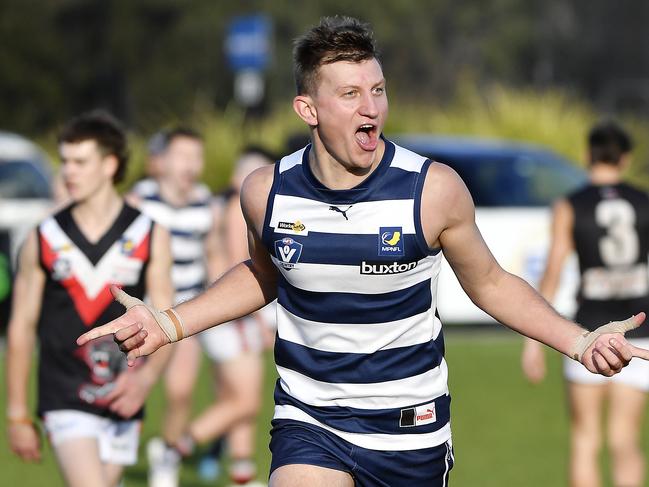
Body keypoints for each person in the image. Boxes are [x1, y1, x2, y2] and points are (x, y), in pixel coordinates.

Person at [79, 17, 649, 487]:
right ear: (309, 109)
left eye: (376, 90)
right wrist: (170, 322)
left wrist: (579, 340)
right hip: (310, 416)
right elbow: (263, 274)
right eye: (350, 94)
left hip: (410, 426)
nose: (370, 107)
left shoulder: (432, 190)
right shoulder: (265, 191)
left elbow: (493, 284)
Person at [6, 110, 174, 487]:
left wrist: (145, 382)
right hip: (62, 394)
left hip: (124, 394)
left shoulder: (149, 233)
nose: (68, 172)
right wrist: (17, 414)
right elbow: (21, 327)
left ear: (109, 165)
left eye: (80, 162)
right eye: (64, 161)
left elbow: (168, 321)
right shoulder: (43, 236)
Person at [128, 131, 269, 487]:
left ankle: (168, 461)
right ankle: (120, 458)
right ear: (161, 161)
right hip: (143, 311)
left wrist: (227, 305)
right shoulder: (140, 201)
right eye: (183, 156)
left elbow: (212, 255)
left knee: (182, 391)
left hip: (184, 313)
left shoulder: (204, 202)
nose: (191, 165)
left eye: (197, 157)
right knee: (135, 388)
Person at [521, 121, 649, 487]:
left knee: (585, 440)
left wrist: (533, 342)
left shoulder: (570, 205)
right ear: (625, 159)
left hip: (589, 331)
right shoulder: (644, 202)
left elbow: (554, 270)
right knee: (625, 441)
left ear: (586, 155)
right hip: (641, 333)